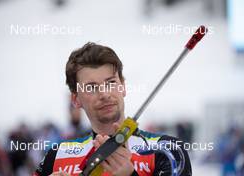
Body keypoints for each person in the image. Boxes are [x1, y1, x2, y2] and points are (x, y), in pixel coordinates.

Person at [34, 42, 192, 176]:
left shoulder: (167, 149)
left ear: (123, 86)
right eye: (91, 87)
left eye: (110, 82)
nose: (104, 93)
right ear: (76, 99)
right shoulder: (57, 156)